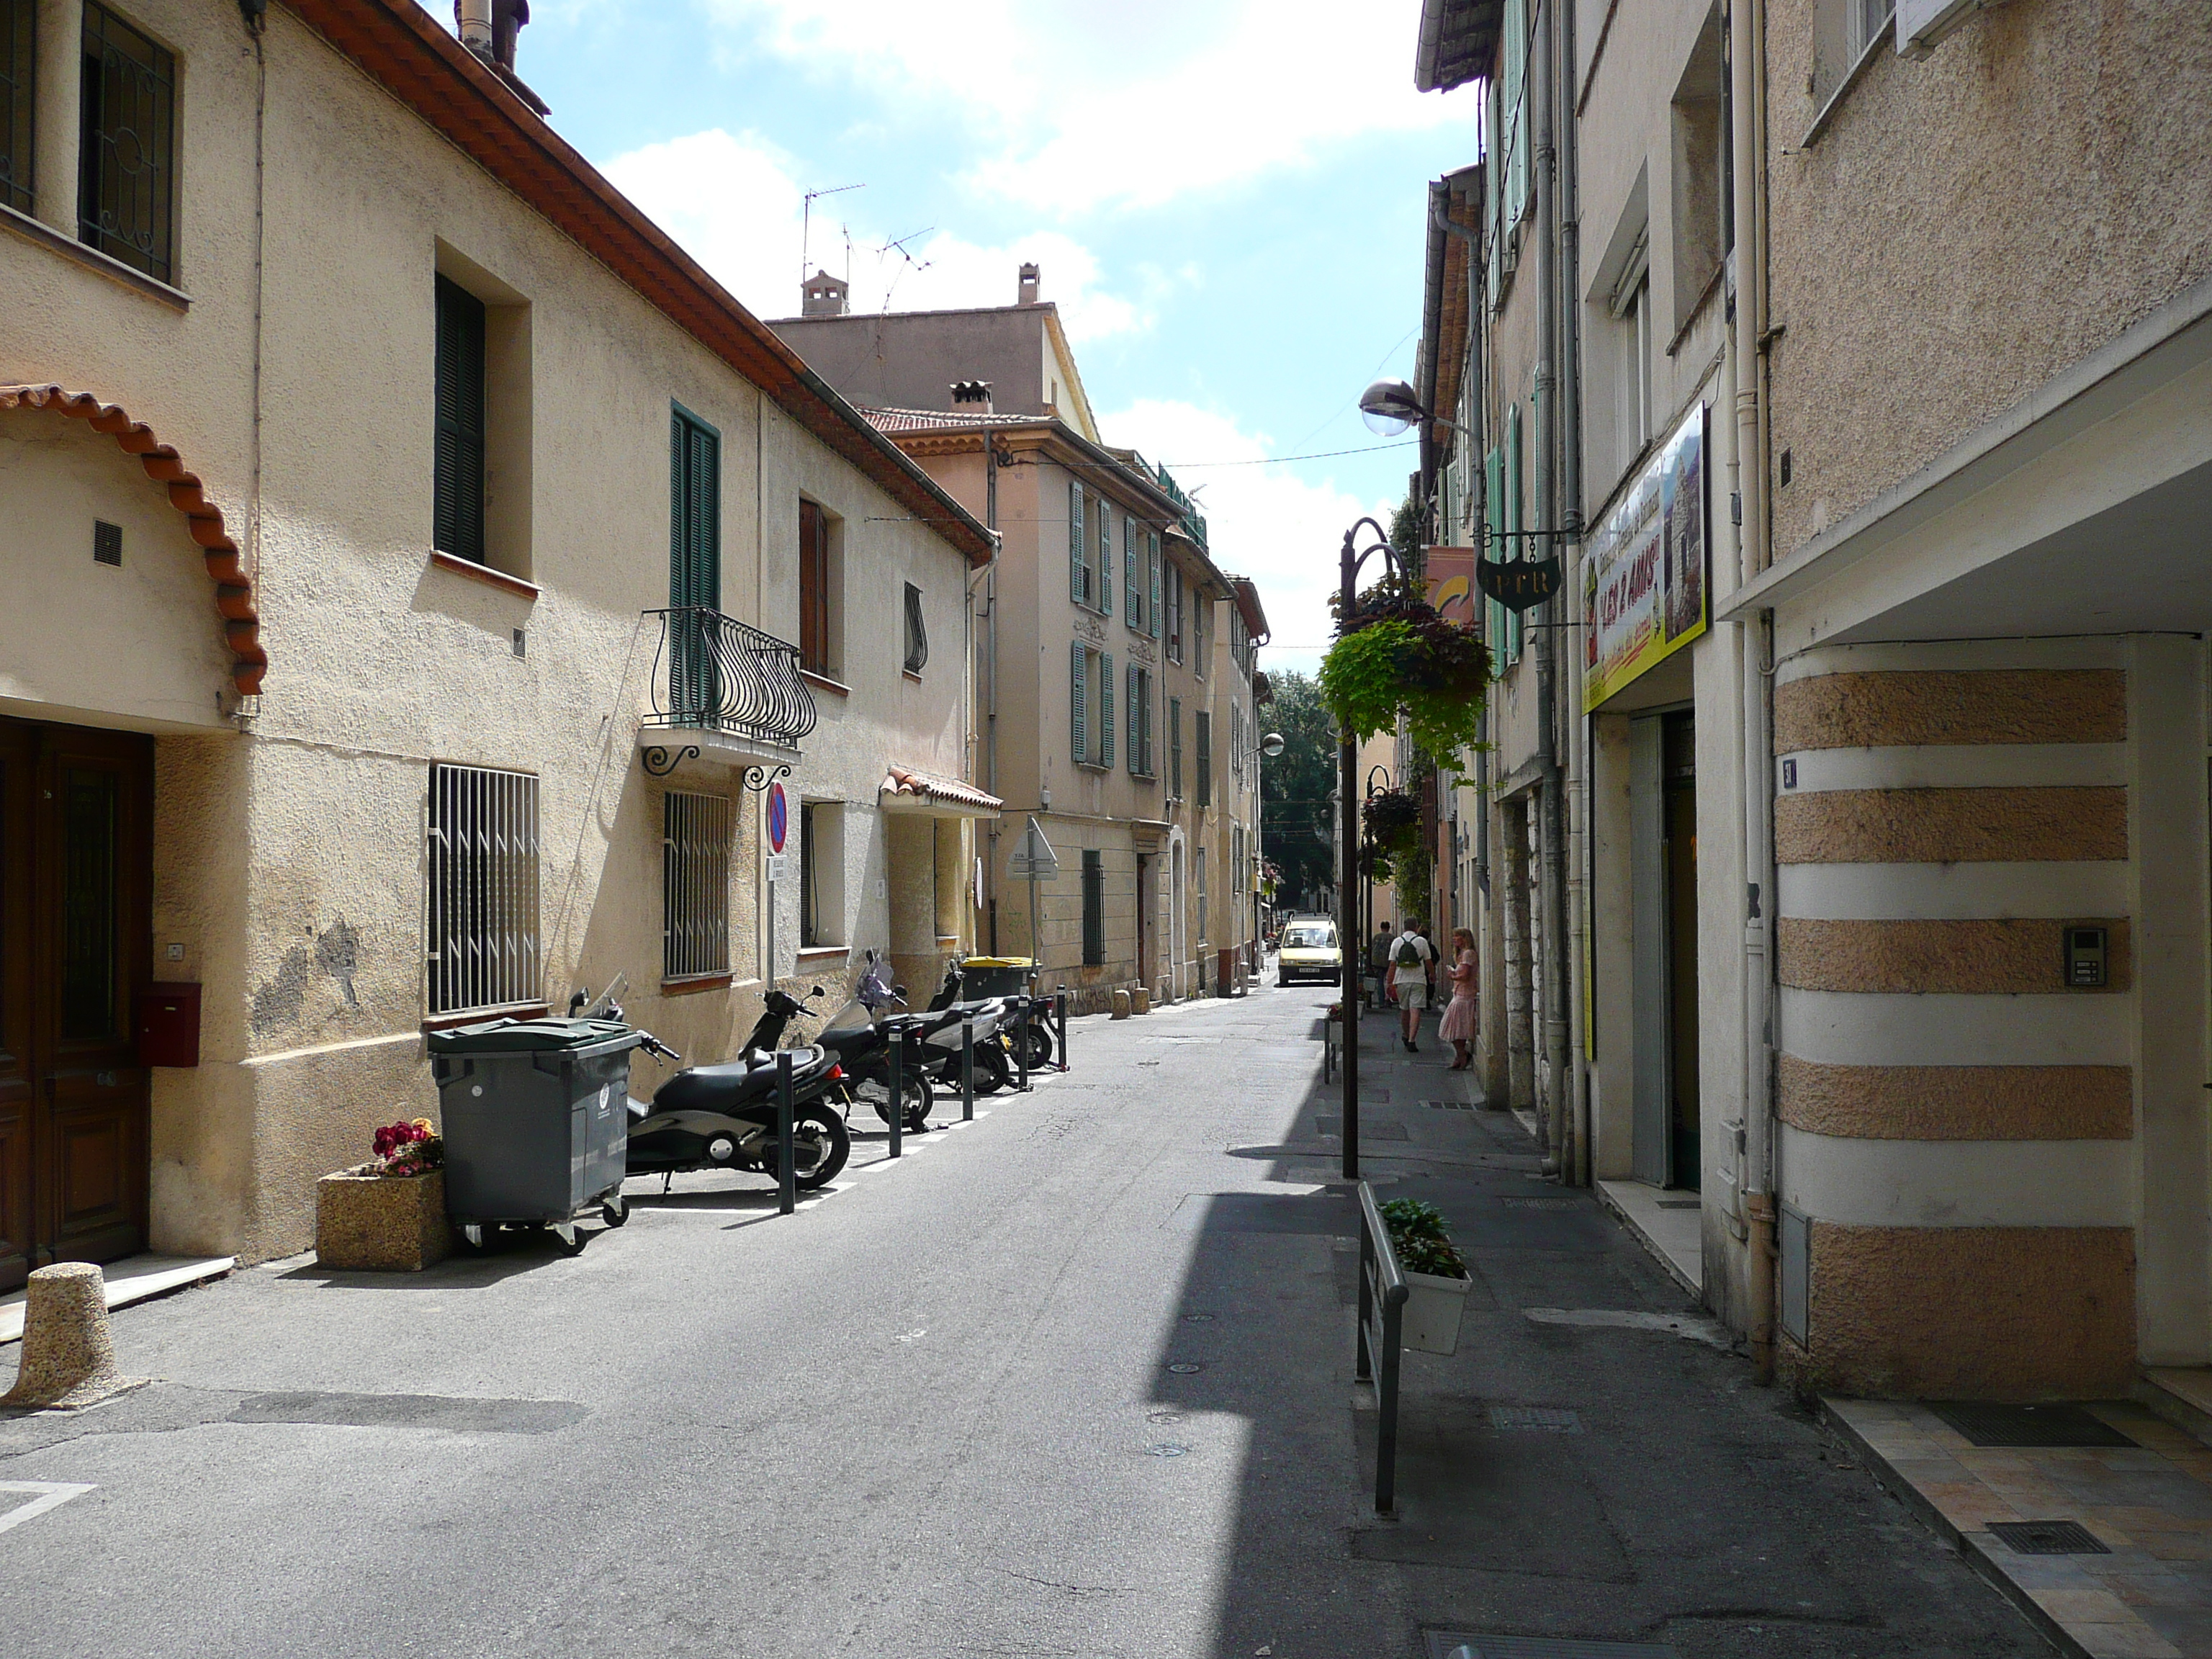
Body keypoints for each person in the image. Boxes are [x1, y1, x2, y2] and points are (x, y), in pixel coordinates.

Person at [1385, 922, 1434, 1052]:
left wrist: (1389, 983)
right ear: (1416, 927)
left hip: (1401, 981)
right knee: (1415, 1010)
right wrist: (1432, 975)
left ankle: (1406, 1035)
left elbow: (1392, 965)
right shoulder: (1422, 941)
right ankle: (1412, 1040)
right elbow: (1428, 961)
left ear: (1404, 927)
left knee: (1404, 1010)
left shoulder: (1397, 942)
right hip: (1419, 980)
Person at [1439, 927, 1478, 1071]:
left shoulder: (1468, 954)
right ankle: (1460, 1055)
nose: (1454, 939)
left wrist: (1453, 976)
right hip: (1460, 993)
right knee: (1455, 1028)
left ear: (1464, 938)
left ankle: (1462, 1055)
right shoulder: (1463, 954)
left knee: (1454, 1027)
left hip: (1464, 995)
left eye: (1457, 936)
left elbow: (1466, 975)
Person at [1367, 921, 1395, 1012]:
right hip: (1388, 962)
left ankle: (1381, 1002)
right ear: (1389, 928)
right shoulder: (1392, 938)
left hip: (1377, 962)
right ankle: (1388, 999)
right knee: (1389, 982)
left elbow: (1371, 948)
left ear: (1381, 927)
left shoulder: (1376, 937)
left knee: (1380, 982)